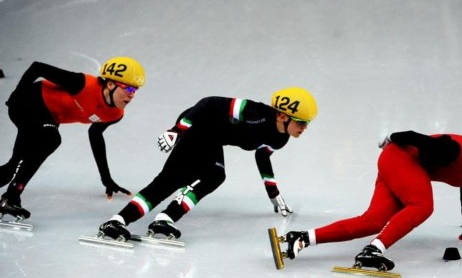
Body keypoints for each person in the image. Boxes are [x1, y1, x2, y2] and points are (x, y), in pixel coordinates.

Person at [280, 121, 462, 271]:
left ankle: (300, 239)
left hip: (404, 167)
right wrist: (391, 137)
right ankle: (371, 252)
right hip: (400, 157)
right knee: (422, 205)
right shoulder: (456, 151)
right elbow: (412, 137)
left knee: (373, 221)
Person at [96, 87, 318, 241]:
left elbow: (262, 155)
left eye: (307, 123)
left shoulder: (281, 138)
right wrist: (178, 130)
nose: (304, 128)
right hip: (197, 124)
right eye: (300, 122)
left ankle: (154, 219)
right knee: (181, 179)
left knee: (195, 178)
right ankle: (123, 221)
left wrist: (272, 191)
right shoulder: (255, 113)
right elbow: (209, 103)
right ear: (282, 116)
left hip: (213, 138)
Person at [0, 57, 146, 219]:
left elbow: (95, 135)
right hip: (27, 103)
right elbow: (38, 67)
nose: (132, 95)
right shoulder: (82, 84)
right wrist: (16, 94)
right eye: (129, 89)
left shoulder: (115, 114)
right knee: (50, 140)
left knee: (14, 165)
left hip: (48, 119)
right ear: (110, 84)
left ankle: (10, 196)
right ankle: (11, 197)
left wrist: (106, 178)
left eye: (136, 90)